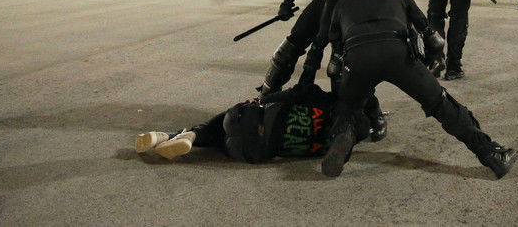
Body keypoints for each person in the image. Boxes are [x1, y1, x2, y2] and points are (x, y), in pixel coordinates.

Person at [320, 0, 517, 179]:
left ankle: (342, 136)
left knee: (348, 110)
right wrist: (430, 63)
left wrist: (347, 90)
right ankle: (491, 155)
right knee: (441, 104)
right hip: (397, 52)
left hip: (358, 56)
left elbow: (335, 59)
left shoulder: (342, 1)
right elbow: (432, 38)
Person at [135, 83, 379, 162]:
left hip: (245, 120)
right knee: (225, 141)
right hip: (252, 151)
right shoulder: (329, 149)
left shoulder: (328, 102)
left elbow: (298, 92)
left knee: (228, 121)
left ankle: (181, 135)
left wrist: (265, 98)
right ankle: (188, 137)